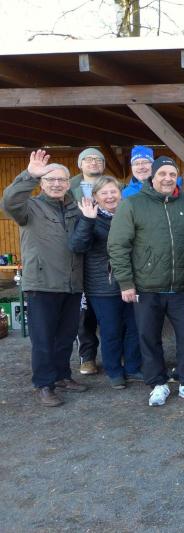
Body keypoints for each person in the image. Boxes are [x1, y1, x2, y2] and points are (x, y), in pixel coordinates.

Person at [107, 156, 184, 407]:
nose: (167, 178)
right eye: (162, 173)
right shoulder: (133, 204)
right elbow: (118, 245)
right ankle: (158, 383)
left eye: (172, 174)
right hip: (146, 286)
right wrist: (126, 282)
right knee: (149, 336)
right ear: (152, 176)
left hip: (182, 285)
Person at [2, 150, 87, 406]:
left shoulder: (75, 209)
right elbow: (9, 202)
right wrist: (28, 175)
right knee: (43, 338)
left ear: (68, 183)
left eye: (62, 180)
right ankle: (44, 384)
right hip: (42, 284)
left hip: (71, 283)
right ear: (42, 182)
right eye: (51, 179)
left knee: (66, 335)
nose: (57, 184)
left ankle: (62, 376)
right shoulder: (29, 207)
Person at [69, 177, 142, 390]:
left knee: (135, 326)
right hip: (102, 284)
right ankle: (114, 371)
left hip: (132, 280)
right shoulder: (88, 216)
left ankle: (133, 366)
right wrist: (88, 220)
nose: (110, 197)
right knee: (111, 329)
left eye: (113, 192)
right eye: (104, 193)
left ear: (120, 194)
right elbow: (78, 246)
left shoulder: (130, 214)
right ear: (95, 197)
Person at [69, 148, 105, 376]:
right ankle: (88, 357)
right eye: (88, 159)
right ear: (80, 164)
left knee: (114, 312)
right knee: (84, 314)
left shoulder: (116, 186)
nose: (93, 162)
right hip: (80, 257)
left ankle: (118, 352)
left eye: (98, 159)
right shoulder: (67, 189)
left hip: (106, 257)